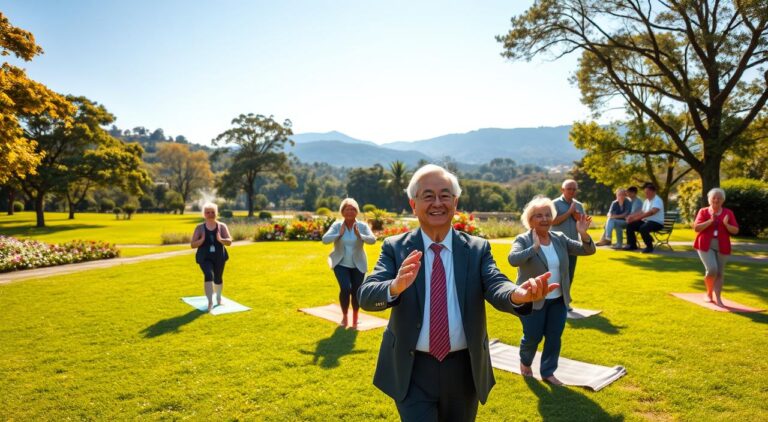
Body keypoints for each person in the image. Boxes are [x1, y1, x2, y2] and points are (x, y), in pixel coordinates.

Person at [358, 164, 556, 422]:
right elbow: (367, 294)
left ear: (455, 202)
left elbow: (496, 283)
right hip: (411, 369)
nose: (437, 202)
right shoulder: (396, 248)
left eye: (445, 195)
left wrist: (517, 294)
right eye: (428, 196)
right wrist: (394, 287)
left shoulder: (476, 249)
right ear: (413, 204)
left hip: (464, 369)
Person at [508, 196, 595, 385]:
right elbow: (513, 259)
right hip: (532, 299)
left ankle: (548, 372)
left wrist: (584, 234)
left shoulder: (559, 238)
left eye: (548, 215)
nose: (544, 219)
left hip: (558, 300)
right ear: (530, 219)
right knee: (533, 336)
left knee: (554, 336)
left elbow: (587, 250)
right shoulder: (523, 239)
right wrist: (533, 248)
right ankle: (525, 361)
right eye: (539, 216)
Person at [322, 198, 376, 328]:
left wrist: (360, 236)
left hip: (358, 264)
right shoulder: (337, 225)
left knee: (356, 291)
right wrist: (338, 235)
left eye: (353, 209)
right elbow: (325, 239)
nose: (350, 212)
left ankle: (355, 318)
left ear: (357, 212)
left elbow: (372, 240)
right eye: (347, 209)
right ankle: (345, 317)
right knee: (345, 288)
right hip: (340, 263)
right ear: (342, 211)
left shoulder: (362, 226)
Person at [693, 188, 739, 307]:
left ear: (723, 200)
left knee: (720, 273)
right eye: (714, 197)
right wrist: (710, 221)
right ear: (709, 200)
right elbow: (696, 228)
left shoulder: (728, 213)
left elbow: (735, 230)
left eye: (719, 198)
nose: (716, 200)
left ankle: (718, 298)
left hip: (722, 245)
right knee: (712, 269)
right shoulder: (703, 212)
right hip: (705, 244)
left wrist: (726, 224)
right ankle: (709, 293)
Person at [190, 202, 232, 312]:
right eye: (208, 212)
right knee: (208, 274)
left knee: (218, 278)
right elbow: (192, 244)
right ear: (204, 214)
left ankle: (218, 298)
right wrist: (201, 240)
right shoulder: (199, 228)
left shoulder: (222, 226)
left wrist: (221, 240)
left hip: (219, 256)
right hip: (205, 257)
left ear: (216, 213)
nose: (210, 214)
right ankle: (210, 301)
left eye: (213, 212)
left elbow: (229, 242)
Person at [551, 179, 585, 311]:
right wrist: (569, 213)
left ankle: (565, 302)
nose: (572, 191)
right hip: (557, 245)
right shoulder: (554, 204)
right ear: (562, 190)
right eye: (569, 188)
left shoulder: (579, 205)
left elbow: (583, 223)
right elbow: (553, 222)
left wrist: (577, 215)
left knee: (570, 274)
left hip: (574, 245)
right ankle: (555, 302)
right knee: (558, 274)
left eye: (574, 189)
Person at [625, 182, 664, 253]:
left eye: (648, 192)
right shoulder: (646, 201)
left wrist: (636, 218)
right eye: (645, 192)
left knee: (643, 228)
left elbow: (651, 212)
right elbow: (642, 211)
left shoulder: (657, 200)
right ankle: (632, 245)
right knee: (630, 225)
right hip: (647, 222)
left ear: (654, 192)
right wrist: (631, 216)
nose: (646, 194)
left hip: (657, 223)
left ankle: (649, 247)